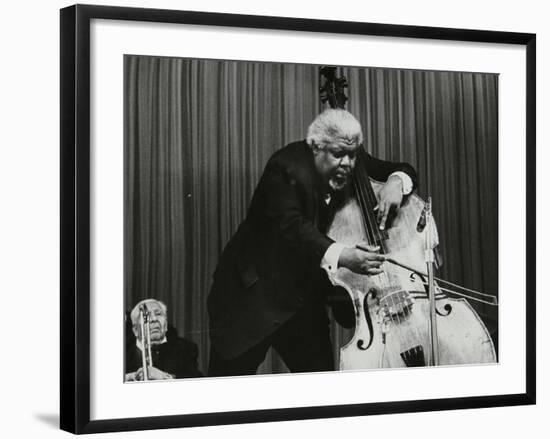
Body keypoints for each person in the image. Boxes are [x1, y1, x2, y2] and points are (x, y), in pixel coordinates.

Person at [207, 109, 417, 377]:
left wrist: (396, 182)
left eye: (352, 155)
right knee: (226, 392)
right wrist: (345, 256)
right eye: (338, 154)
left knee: (320, 387)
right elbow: (293, 228)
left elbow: (402, 170)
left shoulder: (349, 157)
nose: (347, 163)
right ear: (316, 147)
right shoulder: (285, 167)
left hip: (301, 300)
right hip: (252, 299)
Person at [125, 299, 203, 380]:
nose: (154, 319)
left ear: (165, 324)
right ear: (135, 330)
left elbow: (197, 379)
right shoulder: (124, 353)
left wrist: (165, 377)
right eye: (146, 316)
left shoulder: (185, 348)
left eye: (158, 314)